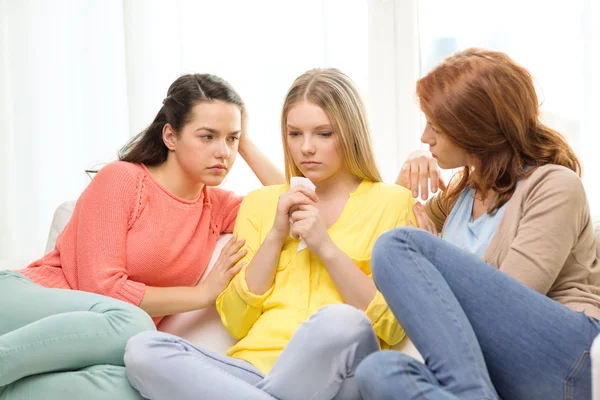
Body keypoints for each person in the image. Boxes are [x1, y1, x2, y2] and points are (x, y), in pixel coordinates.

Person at [124, 68, 417, 400]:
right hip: (252, 372)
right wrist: (276, 235)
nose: (306, 148)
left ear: (350, 134)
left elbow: (390, 327)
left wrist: (326, 247)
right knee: (143, 350)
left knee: (342, 322)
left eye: (324, 134)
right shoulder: (262, 203)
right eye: (294, 134)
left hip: (343, 372)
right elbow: (236, 322)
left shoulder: (392, 202)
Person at [0, 73, 284, 400]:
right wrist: (204, 295)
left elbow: (292, 202)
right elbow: (103, 288)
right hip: (22, 304)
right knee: (137, 327)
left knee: (139, 388)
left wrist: (243, 138)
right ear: (170, 136)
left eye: (231, 140)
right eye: (207, 137)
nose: (223, 152)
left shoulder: (216, 207)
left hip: (93, 344)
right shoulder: (122, 179)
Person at [355, 48, 600, 400]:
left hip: (568, 359)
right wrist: (405, 176)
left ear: (475, 128)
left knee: (397, 246)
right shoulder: (461, 194)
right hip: (498, 371)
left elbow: (512, 302)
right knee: (376, 372)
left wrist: (431, 254)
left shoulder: (555, 185)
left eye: (435, 127)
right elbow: (392, 244)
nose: (425, 138)